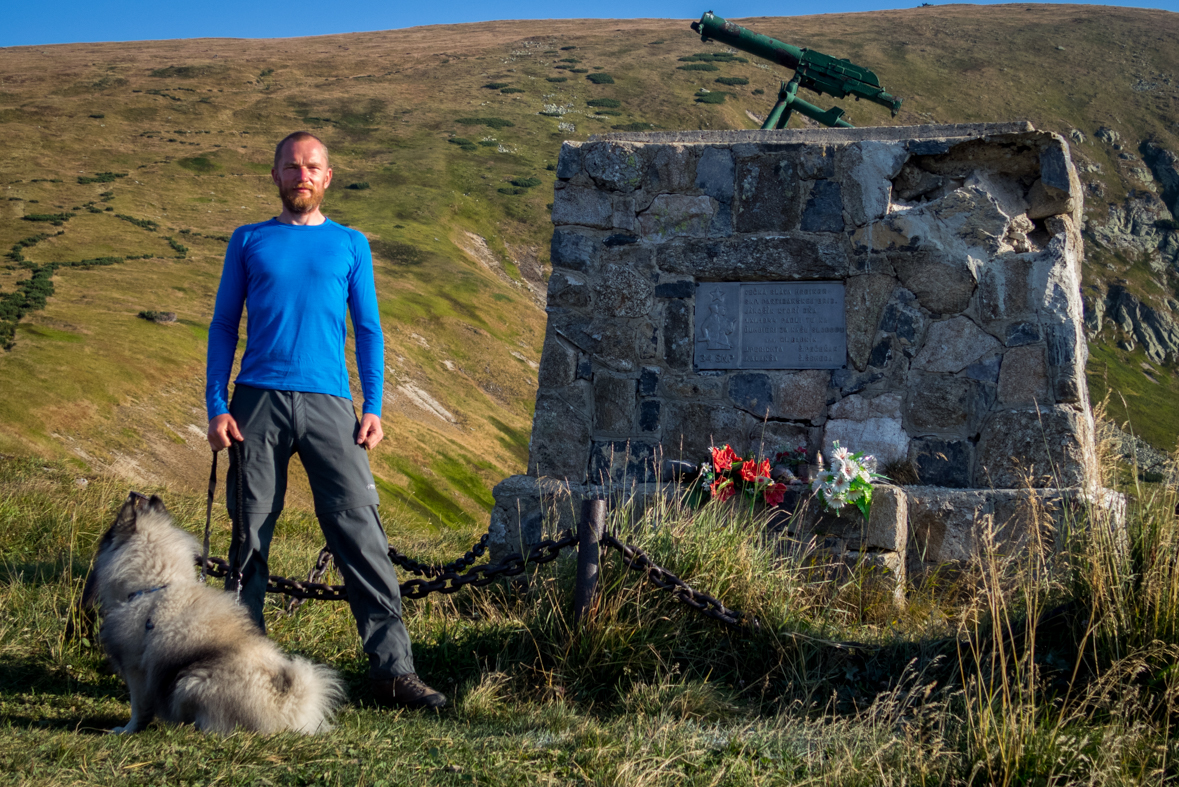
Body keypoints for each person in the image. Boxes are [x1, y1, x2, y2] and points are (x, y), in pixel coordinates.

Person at [205, 131, 445, 710]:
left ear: (327, 176)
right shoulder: (248, 240)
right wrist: (216, 405)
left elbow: (368, 330)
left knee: (361, 537)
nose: (301, 175)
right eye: (291, 166)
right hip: (255, 403)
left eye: (312, 166)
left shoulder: (350, 243)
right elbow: (221, 326)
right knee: (249, 539)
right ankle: (245, 676)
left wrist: (374, 406)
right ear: (276, 175)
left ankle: (393, 673)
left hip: (331, 405)